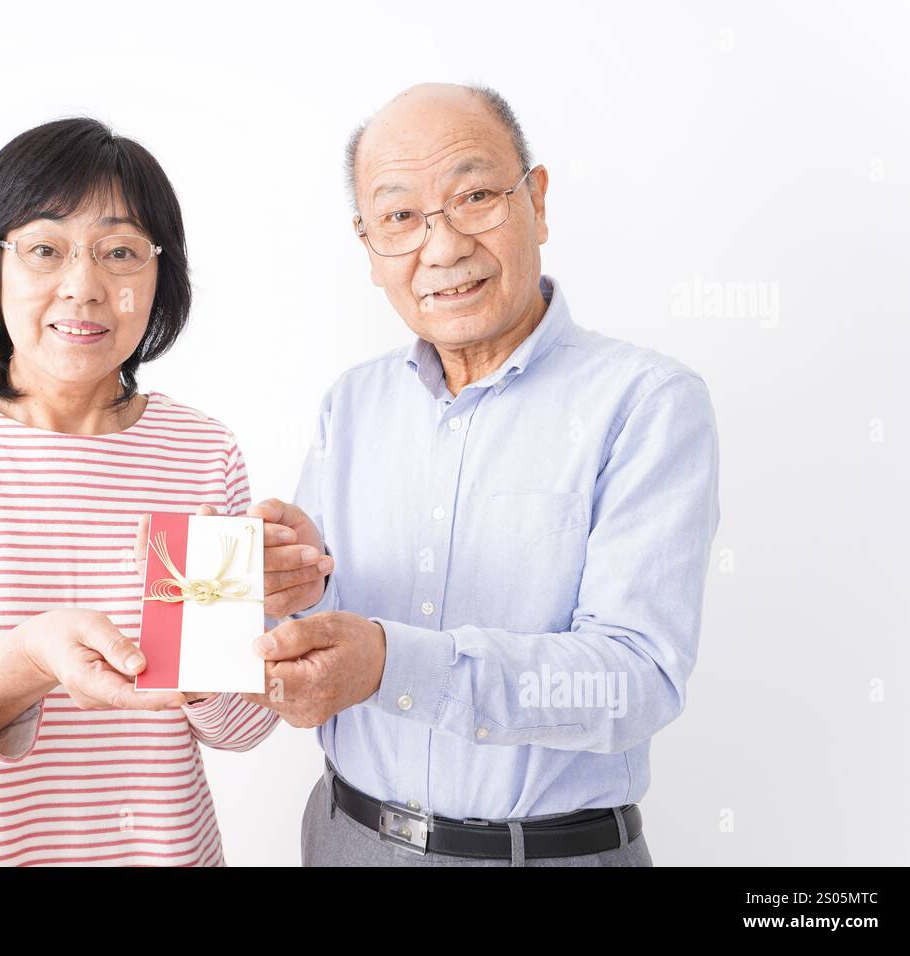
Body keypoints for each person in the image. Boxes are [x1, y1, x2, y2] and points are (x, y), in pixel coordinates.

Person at [244, 83, 721, 867]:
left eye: (473, 196)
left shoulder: (647, 403)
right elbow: (324, 627)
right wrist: (294, 591)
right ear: (368, 246)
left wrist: (393, 664)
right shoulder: (353, 402)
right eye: (400, 217)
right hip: (344, 837)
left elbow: (635, 680)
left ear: (536, 200)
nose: (441, 247)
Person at [0, 117, 303, 866]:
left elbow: (238, 732)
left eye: (120, 253)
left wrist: (217, 633)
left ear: (158, 277)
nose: (84, 286)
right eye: (45, 249)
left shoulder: (203, 453)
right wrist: (26, 664)